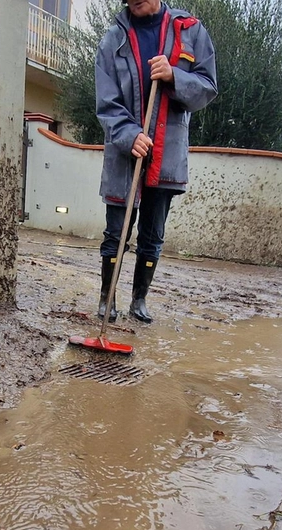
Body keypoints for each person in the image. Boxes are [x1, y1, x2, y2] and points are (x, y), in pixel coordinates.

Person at [95, 0, 217, 323]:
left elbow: (208, 87)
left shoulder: (189, 31)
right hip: (125, 155)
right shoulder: (112, 39)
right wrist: (128, 134)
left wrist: (175, 76)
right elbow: (106, 102)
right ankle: (106, 301)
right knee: (116, 231)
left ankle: (139, 300)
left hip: (167, 154)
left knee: (153, 234)